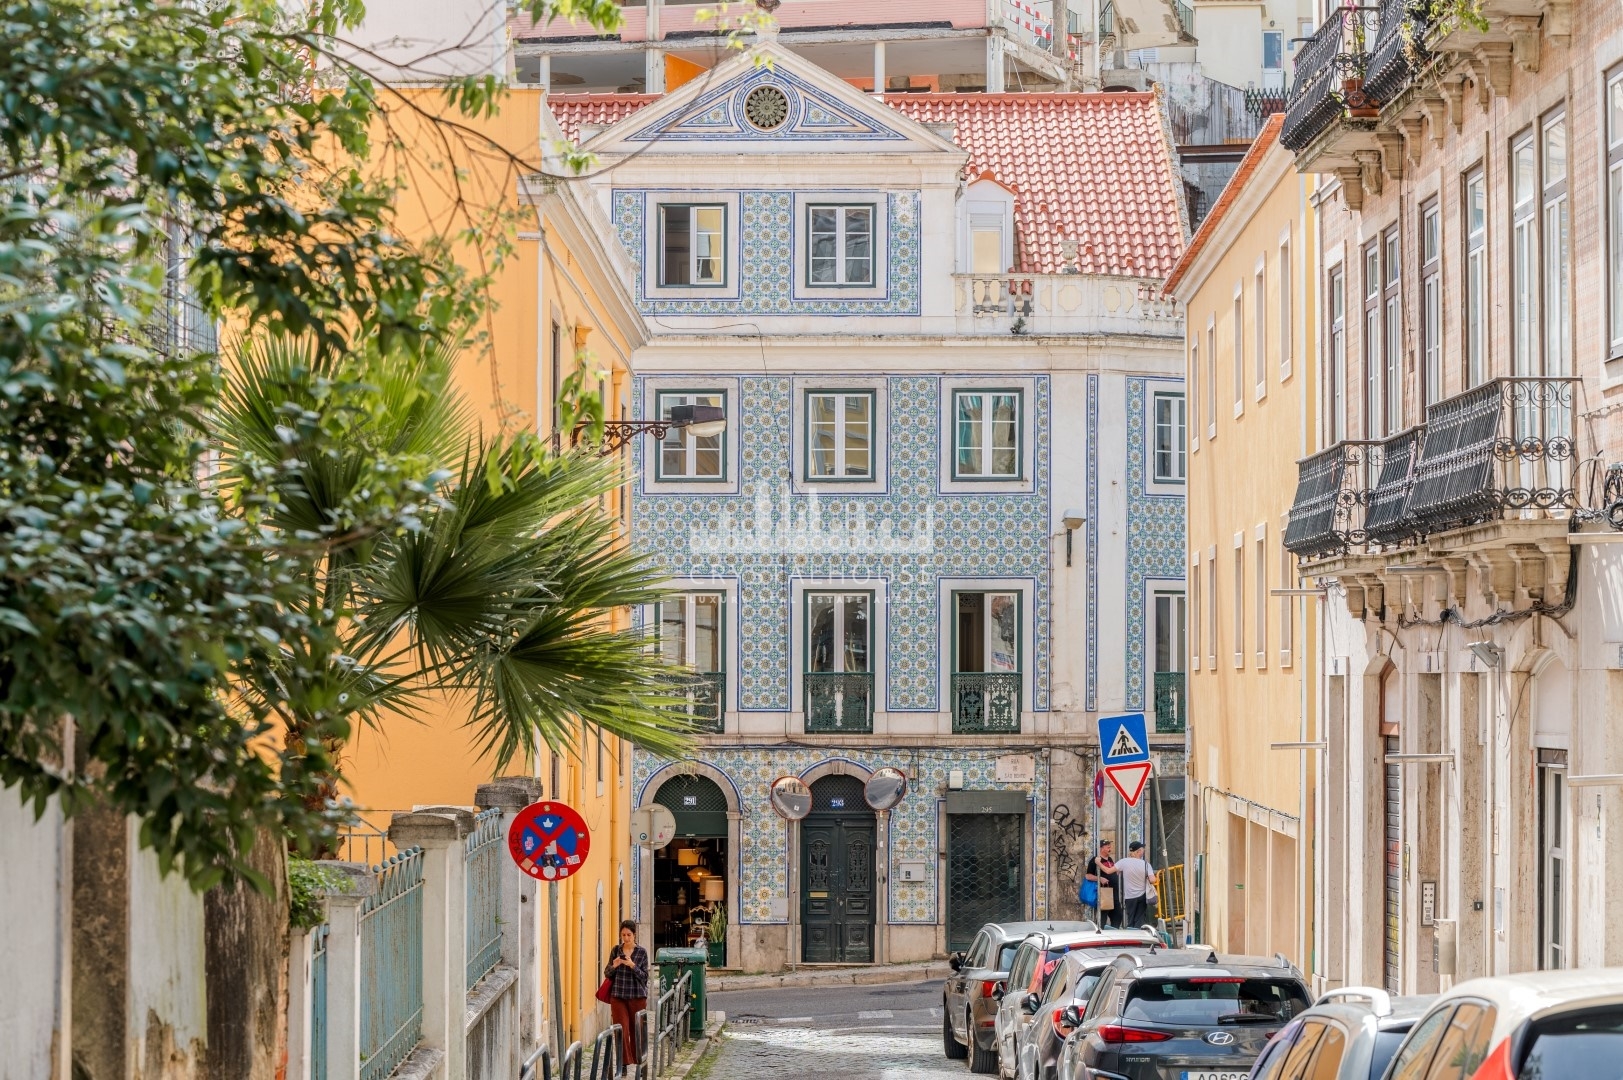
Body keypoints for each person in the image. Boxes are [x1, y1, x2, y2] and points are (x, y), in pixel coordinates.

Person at [604, 919, 650, 1074]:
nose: (626, 938)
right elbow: (607, 973)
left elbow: (645, 977)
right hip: (618, 996)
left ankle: (640, 1063)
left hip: (637, 996)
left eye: (629, 935)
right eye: (623, 935)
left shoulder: (641, 952)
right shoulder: (616, 950)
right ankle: (622, 1064)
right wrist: (615, 965)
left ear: (634, 935)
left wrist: (632, 965)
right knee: (621, 1030)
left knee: (637, 1030)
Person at [1116, 841, 1159, 928]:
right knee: (1139, 919)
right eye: (1143, 849)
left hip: (1129, 897)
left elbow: (1109, 871)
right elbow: (1152, 880)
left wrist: (1099, 863)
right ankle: (1137, 934)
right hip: (1141, 895)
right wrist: (1156, 878)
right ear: (1139, 851)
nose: (1144, 851)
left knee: (1130, 919)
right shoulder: (1146, 864)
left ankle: (1130, 933)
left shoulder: (1124, 862)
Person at [1085, 840, 1122, 928]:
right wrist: (1100, 878)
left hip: (1114, 894)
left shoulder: (1110, 859)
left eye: (1110, 847)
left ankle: (1113, 933)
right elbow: (1088, 876)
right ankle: (1101, 932)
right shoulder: (1095, 860)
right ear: (1101, 848)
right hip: (1103, 894)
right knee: (1102, 918)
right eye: (1108, 847)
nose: (1110, 849)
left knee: (1118, 916)